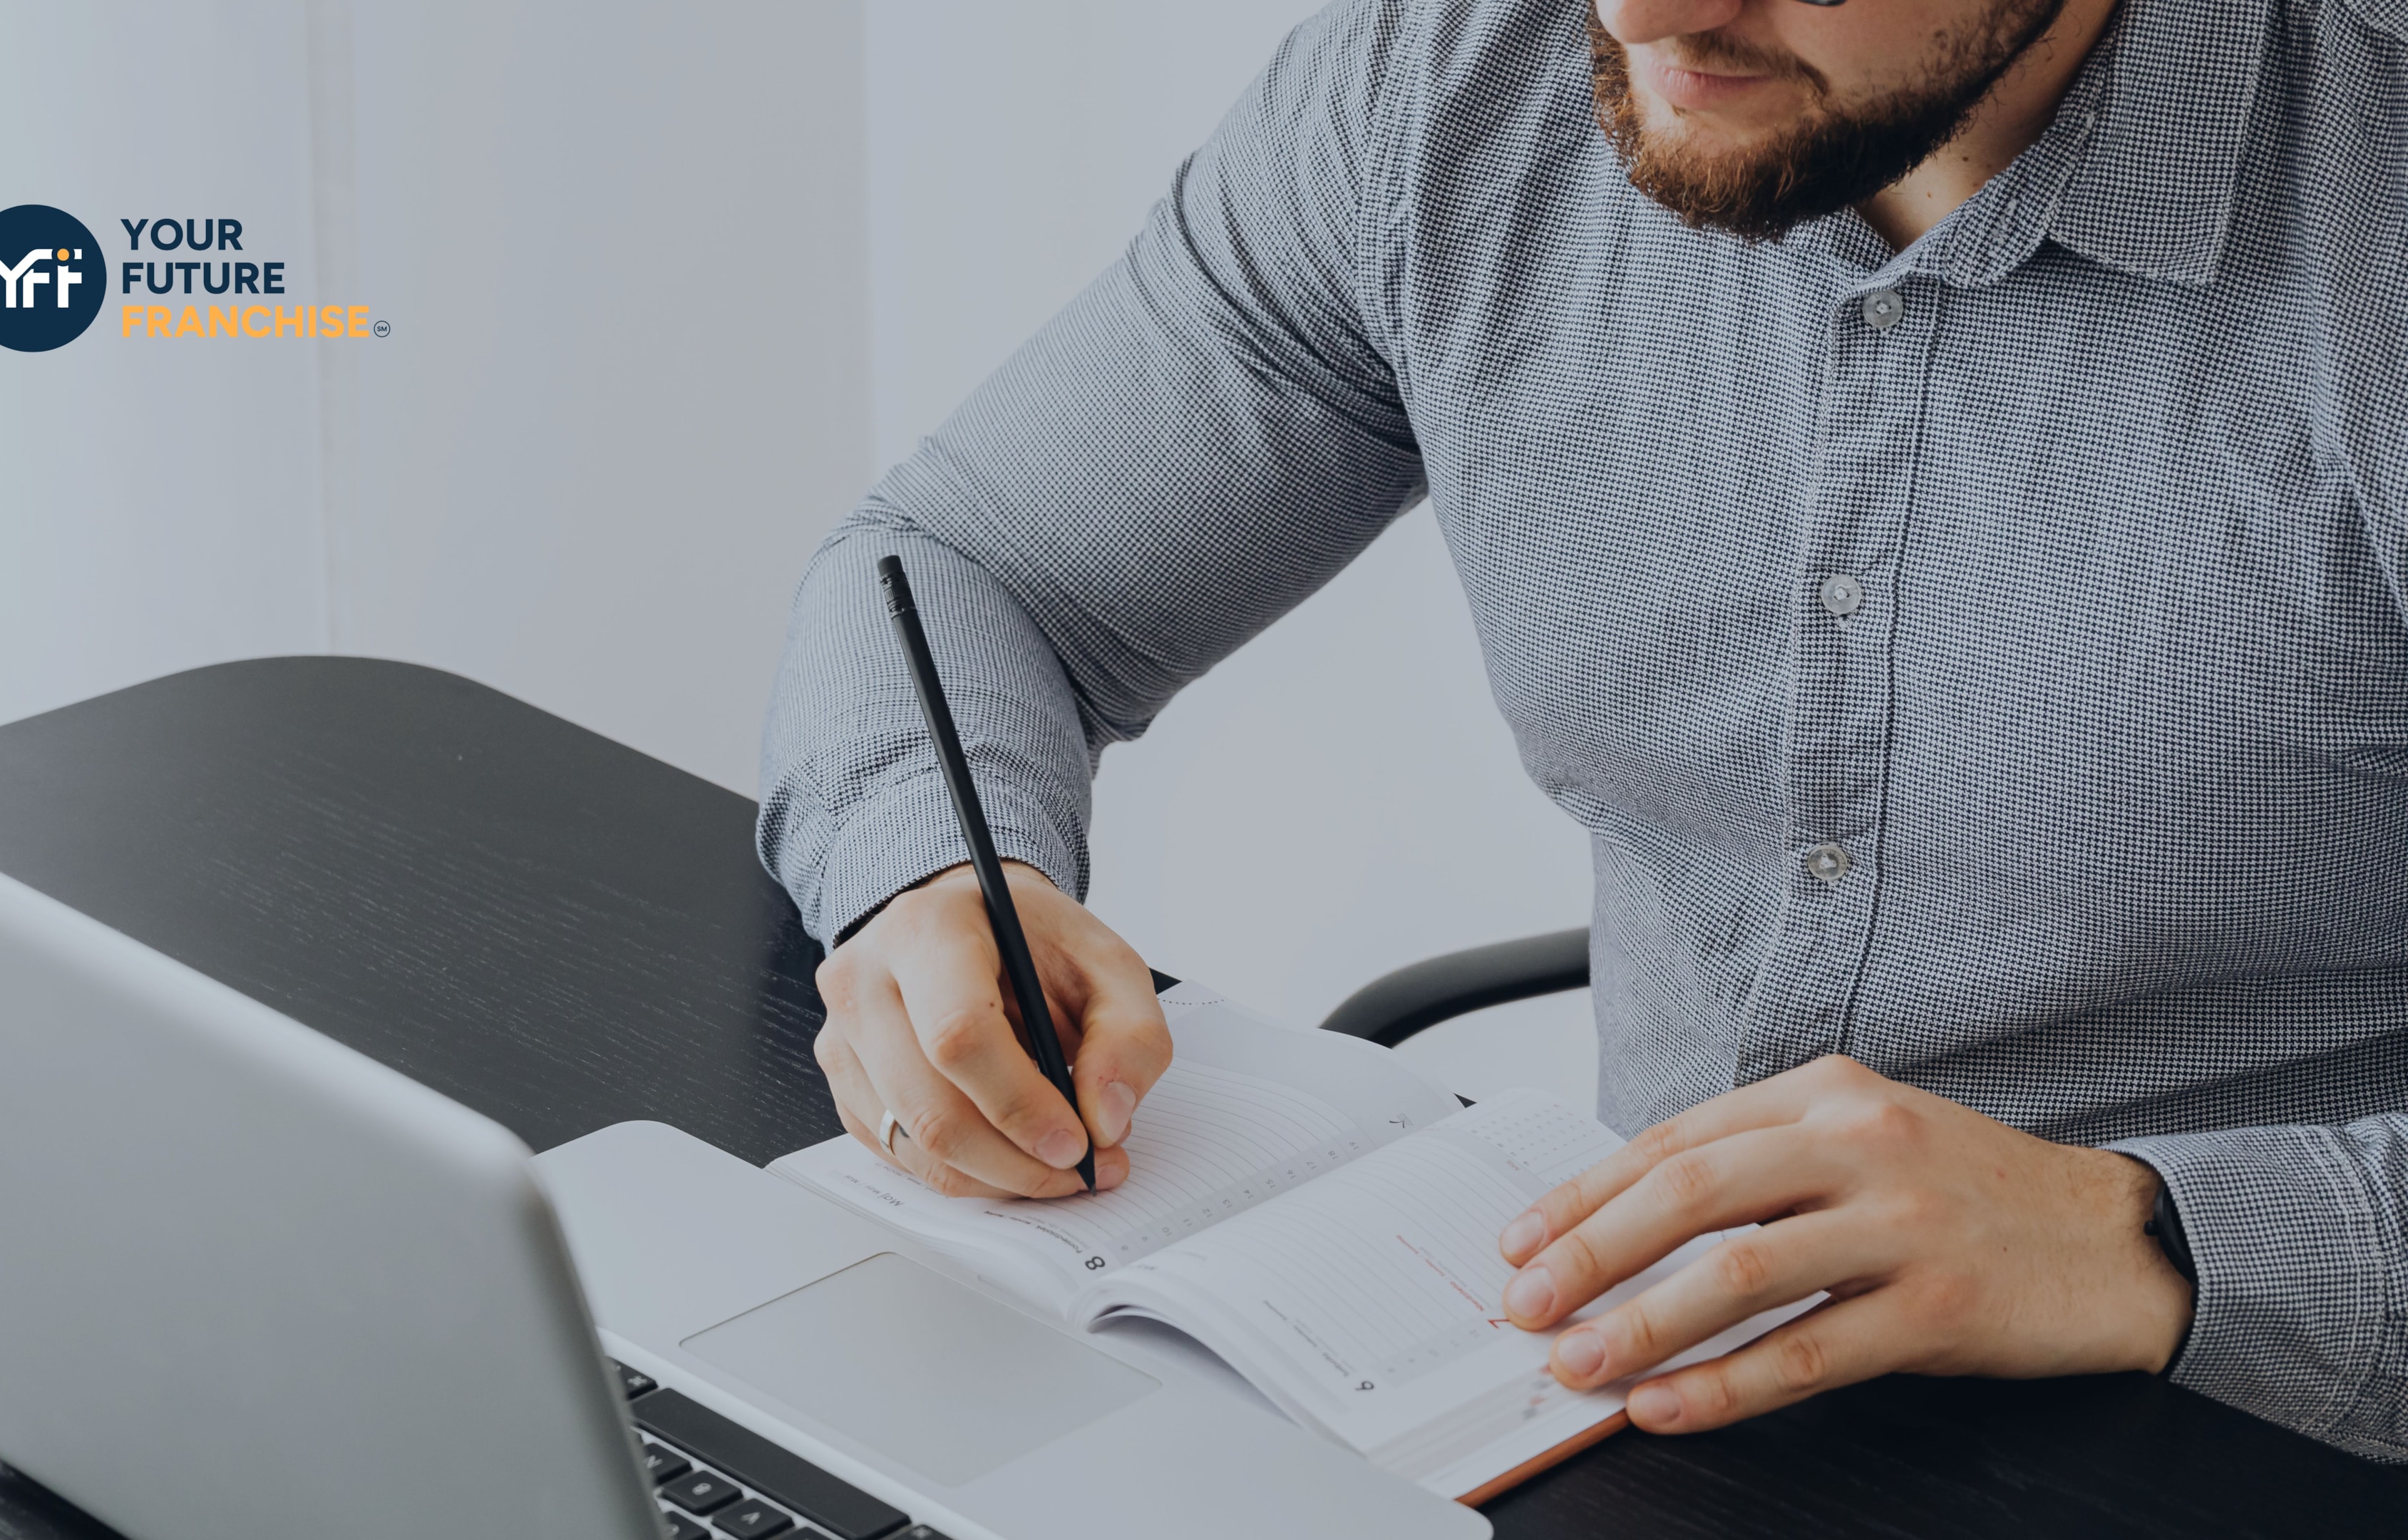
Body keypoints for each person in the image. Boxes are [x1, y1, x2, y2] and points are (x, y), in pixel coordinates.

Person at [757, 0, 2408, 1462]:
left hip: (2245, 1446)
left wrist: (2146, 1241)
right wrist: (926, 883)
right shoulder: (1454, 79)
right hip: (1623, 1406)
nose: (1644, 16)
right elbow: (967, 570)